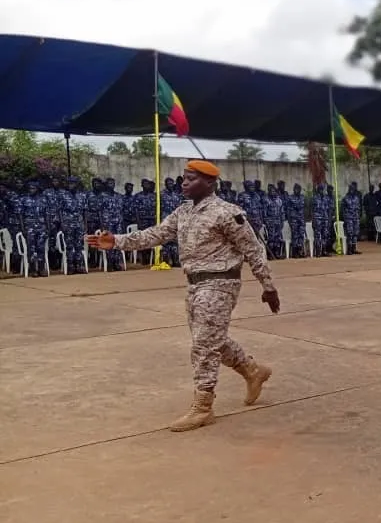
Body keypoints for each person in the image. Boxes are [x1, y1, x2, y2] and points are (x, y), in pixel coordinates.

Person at [88, 160, 280, 432]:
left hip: (220, 284)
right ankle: (253, 371)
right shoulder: (183, 212)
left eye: (190, 179)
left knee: (203, 344)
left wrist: (268, 286)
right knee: (212, 339)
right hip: (194, 285)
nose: (184, 183)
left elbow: (253, 249)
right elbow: (155, 234)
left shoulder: (227, 213)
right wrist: (117, 242)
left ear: (210, 183)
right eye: (183, 178)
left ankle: (203, 407)